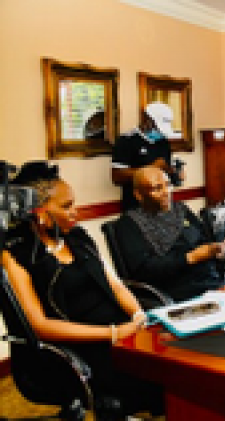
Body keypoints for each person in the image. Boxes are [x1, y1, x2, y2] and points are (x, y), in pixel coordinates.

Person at [2, 161, 162, 417]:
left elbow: (114, 284)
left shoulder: (78, 238)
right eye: (66, 206)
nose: (75, 212)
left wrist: (137, 314)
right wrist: (113, 333)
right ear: (39, 212)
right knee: (152, 381)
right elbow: (39, 325)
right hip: (79, 346)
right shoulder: (17, 256)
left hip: (120, 328)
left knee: (172, 362)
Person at [115, 167, 225, 301]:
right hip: (175, 291)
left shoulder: (180, 209)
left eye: (168, 185)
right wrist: (189, 258)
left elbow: (204, 238)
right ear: (138, 194)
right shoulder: (128, 224)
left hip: (211, 280)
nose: (166, 192)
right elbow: (143, 270)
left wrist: (217, 249)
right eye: (157, 188)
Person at [111, 102, 183, 211]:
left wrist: (175, 173)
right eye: (158, 127)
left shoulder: (163, 142)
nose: (160, 132)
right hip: (136, 207)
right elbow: (116, 177)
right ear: (147, 120)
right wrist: (151, 168)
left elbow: (165, 172)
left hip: (162, 204)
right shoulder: (126, 141)